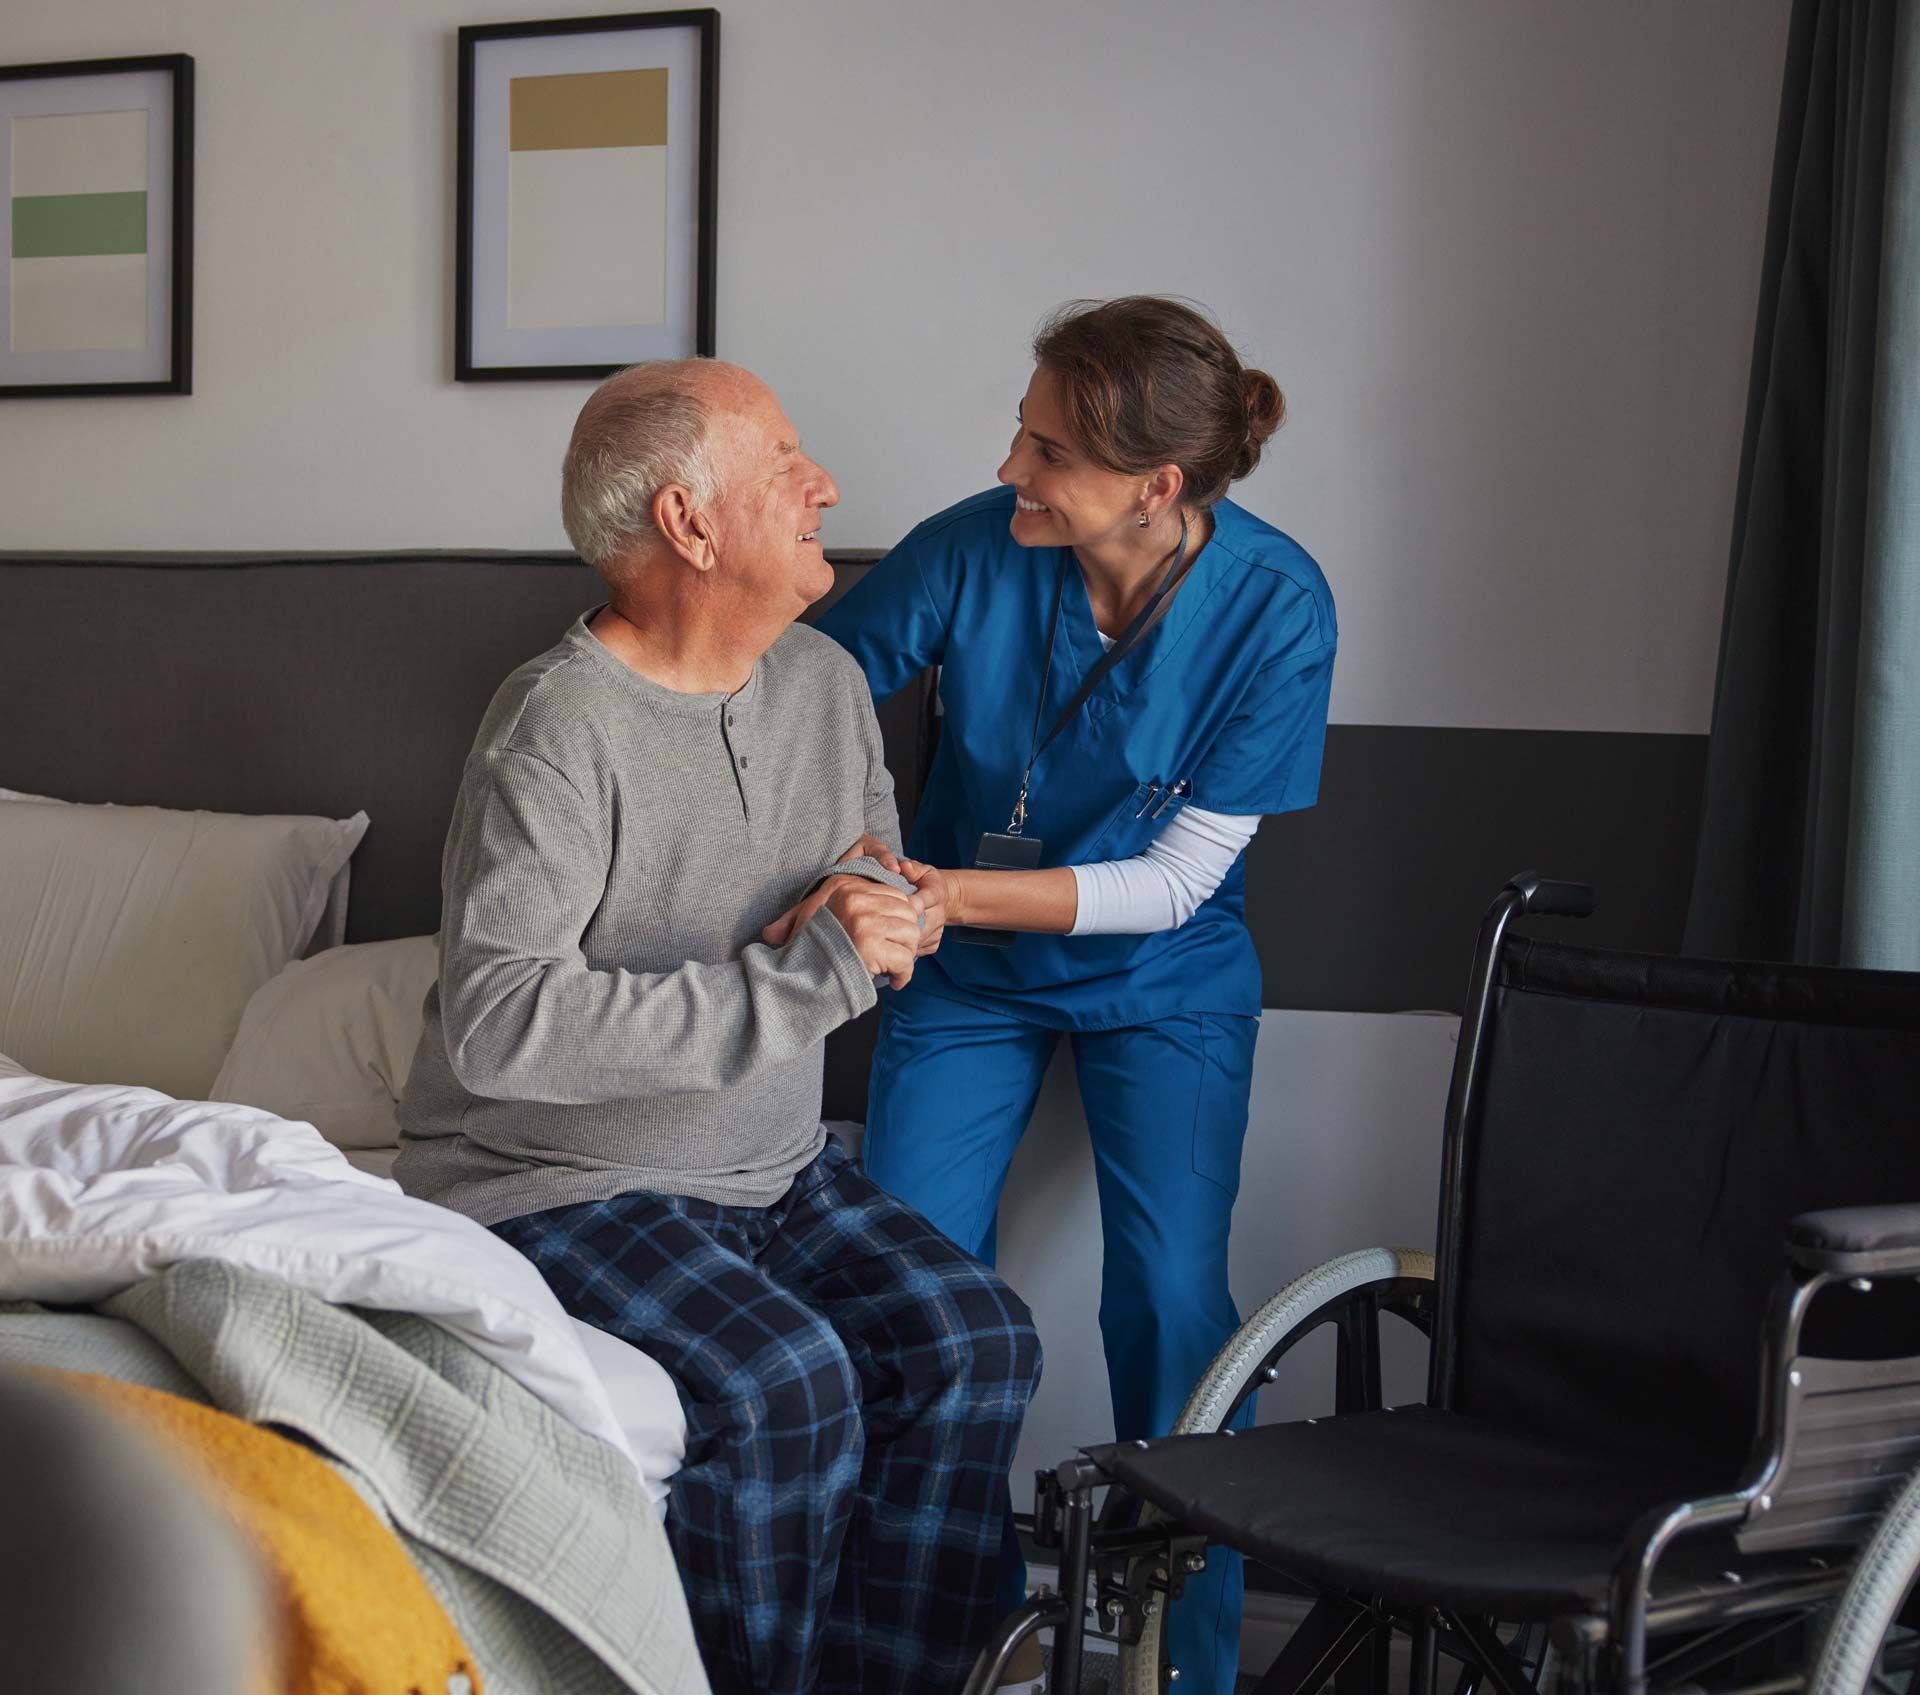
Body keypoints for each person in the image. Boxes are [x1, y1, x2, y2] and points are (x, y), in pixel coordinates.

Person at [395, 358, 1042, 1695]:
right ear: (688, 523)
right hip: (561, 1182)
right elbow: (502, 1027)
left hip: (768, 1168)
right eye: (786, 463)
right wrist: (804, 975)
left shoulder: (820, 684)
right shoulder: (556, 729)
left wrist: (884, 917)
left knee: (979, 1339)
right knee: (781, 1383)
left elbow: (868, 870)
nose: (827, 486)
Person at [812, 296, 1336, 1695]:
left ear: (1153, 487)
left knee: (1168, 1301)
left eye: (1046, 449)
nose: (1009, 470)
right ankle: (946, 1633)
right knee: (914, 1287)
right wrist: (834, 843)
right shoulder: (973, 551)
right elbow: (807, 686)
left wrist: (935, 891)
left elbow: (1171, 884)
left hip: (1161, 979)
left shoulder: (1278, 609)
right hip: (967, 977)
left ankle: (1189, 1667)